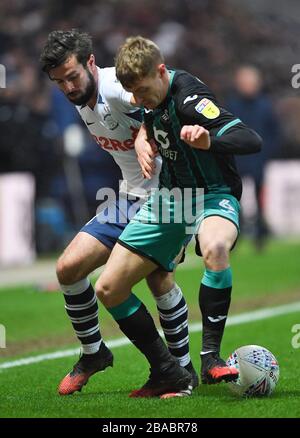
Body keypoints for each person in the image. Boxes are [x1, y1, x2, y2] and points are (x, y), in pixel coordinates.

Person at [93, 36, 262, 393]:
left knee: (215, 248)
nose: (137, 100)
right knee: (109, 288)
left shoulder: (191, 98)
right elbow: (148, 115)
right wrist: (141, 135)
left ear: (161, 71)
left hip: (214, 195)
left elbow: (250, 139)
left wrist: (209, 142)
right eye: (131, 93)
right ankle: (168, 372)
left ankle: (211, 358)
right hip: (170, 199)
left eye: (141, 91)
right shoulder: (147, 95)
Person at [40, 30, 197, 398]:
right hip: (128, 196)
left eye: (73, 76)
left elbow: (158, 101)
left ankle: (181, 369)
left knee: (156, 281)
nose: (67, 86)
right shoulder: (80, 97)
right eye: (59, 81)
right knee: (68, 268)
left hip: (169, 198)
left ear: (91, 62)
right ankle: (94, 354)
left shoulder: (115, 87)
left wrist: (145, 131)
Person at [226, 66, 281, 250]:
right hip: (237, 161)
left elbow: (274, 132)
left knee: (260, 200)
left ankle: (260, 236)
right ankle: (236, 235)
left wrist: (266, 153)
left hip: (258, 161)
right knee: (236, 201)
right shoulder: (232, 105)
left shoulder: (265, 105)